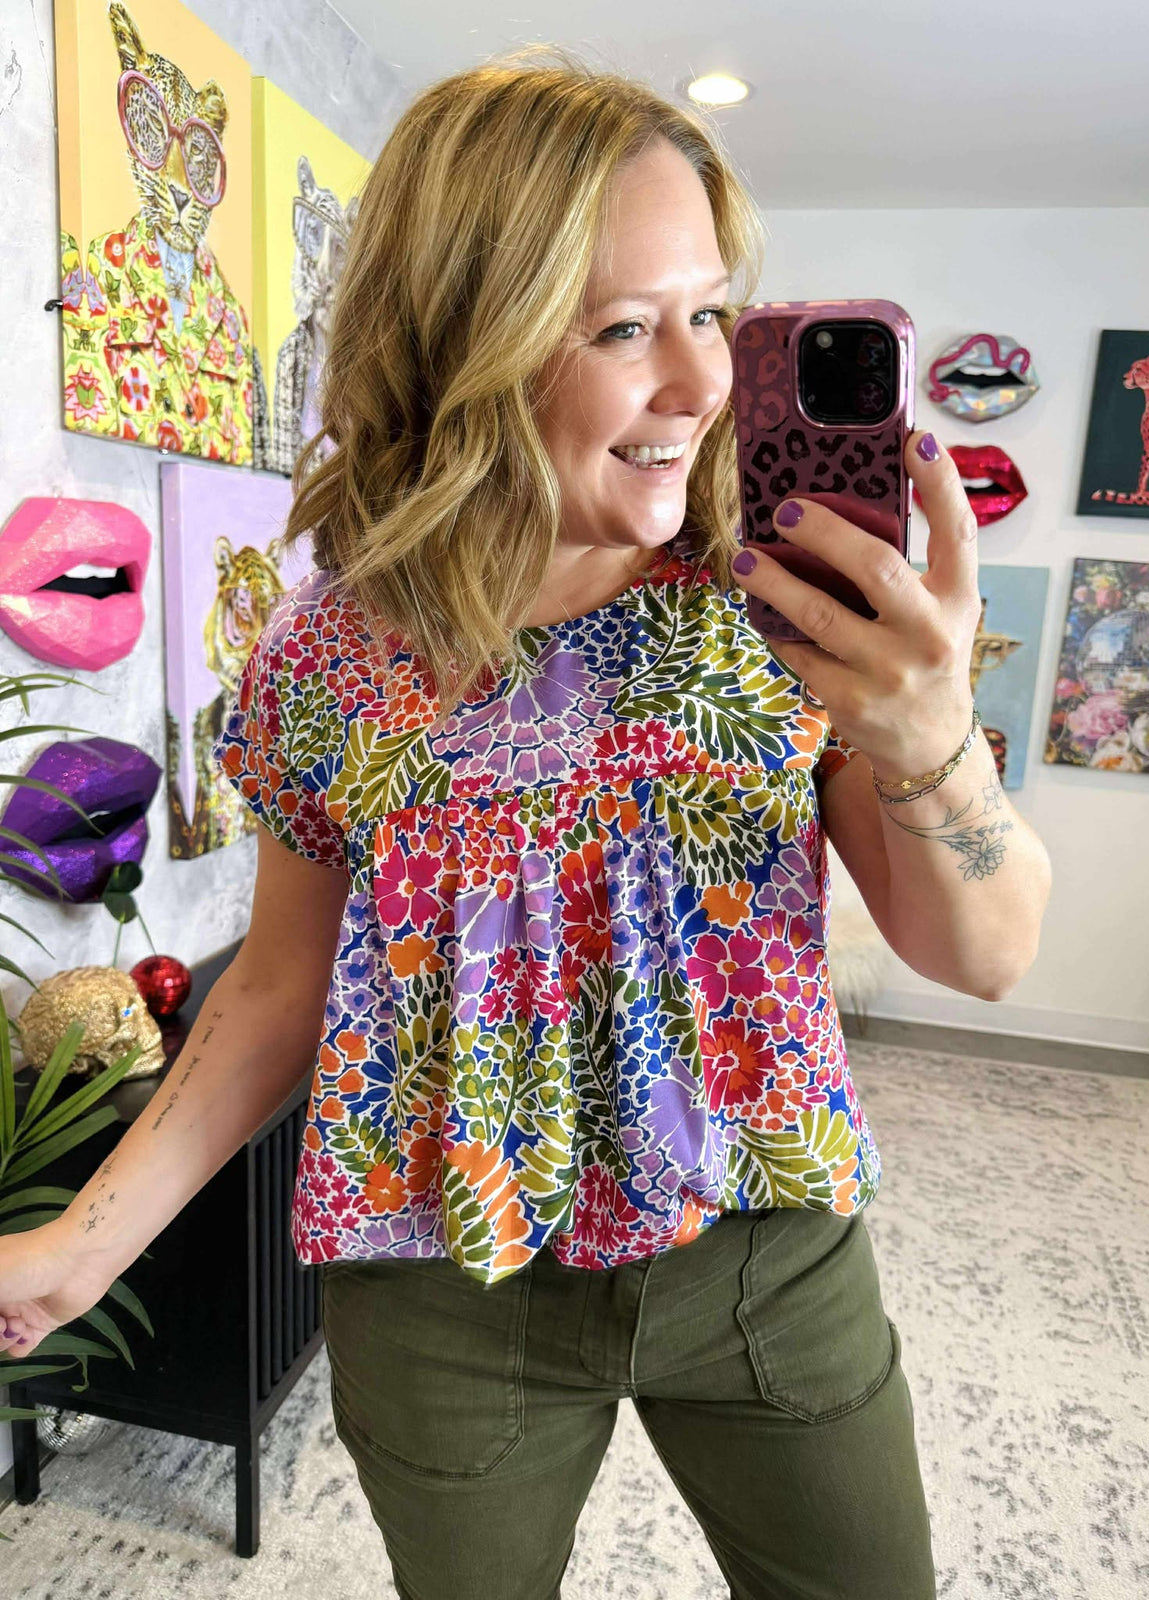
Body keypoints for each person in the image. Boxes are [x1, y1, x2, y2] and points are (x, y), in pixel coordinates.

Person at [0, 49, 1051, 1600]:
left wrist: (929, 737)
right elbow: (280, 989)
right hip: (444, 1290)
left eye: (710, 313)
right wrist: (80, 1247)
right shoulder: (326, 657)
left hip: (764, 1246)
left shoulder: (785, 605)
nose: (698, 384)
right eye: (624, 328)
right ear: (464, 340)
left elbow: (989, 956)